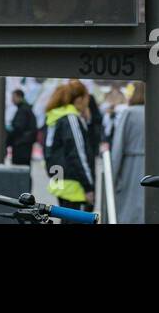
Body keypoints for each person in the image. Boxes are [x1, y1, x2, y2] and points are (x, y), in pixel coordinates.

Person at [42, 80, 95, 217]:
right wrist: (89, 186)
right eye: (86, 98)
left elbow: (48, 151)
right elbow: (78, 153)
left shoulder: (54, 117)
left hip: (60, 179)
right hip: (75, 184)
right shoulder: (70, 119)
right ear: (79, 99)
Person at [109, 82, 146, 223]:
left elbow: (118, 146)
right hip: (153, 165)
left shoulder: (129, 113)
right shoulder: (157, 113)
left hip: (130, 166)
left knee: (128, 209)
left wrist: (113, 176)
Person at [6, 88, 37, 166]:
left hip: (21, 145)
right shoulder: (26, 108)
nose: (12, 100)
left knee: (20, 168)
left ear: (19, 97)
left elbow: (18, 127)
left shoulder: (23, 110)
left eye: (13, 97)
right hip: (25, 143)